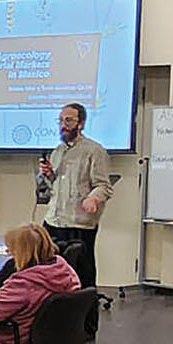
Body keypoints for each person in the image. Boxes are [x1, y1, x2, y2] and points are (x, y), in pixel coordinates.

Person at [37, 102, 112, 330]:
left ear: (80, 124)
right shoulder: (58, 151)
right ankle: (55, 324)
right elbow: (53, 186)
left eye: (68, 120)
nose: (63, 125)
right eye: (60, 120)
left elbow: (104, 186)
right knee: (50, 273)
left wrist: (93, 198)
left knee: (82, 274)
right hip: (54, 219)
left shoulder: (94, 150)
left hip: (79, 223)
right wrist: (48, 175)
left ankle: (87, 326)